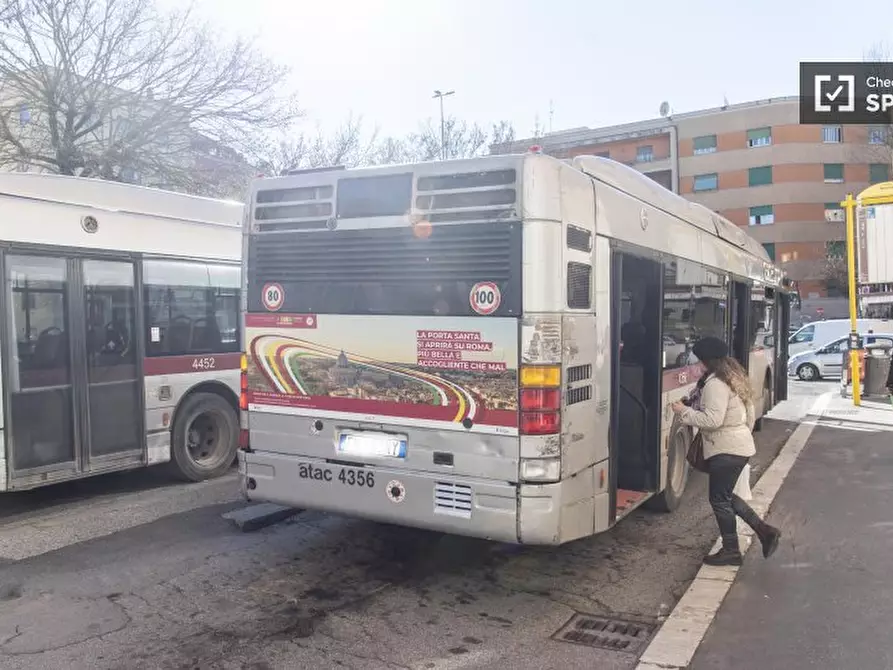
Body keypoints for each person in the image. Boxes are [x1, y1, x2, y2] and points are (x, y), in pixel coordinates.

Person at [671, 336, 781, 566]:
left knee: (719, 500)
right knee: (726, 497)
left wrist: (683, 411)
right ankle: (765, 532)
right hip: (737, 447)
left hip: (727, 450)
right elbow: (749, 414)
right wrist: (742, 437)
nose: (698, 363)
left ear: (707, 360)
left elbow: (713, 420)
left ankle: (732, 550)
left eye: (699, 359)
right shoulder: (733, 378)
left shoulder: (715, 384)